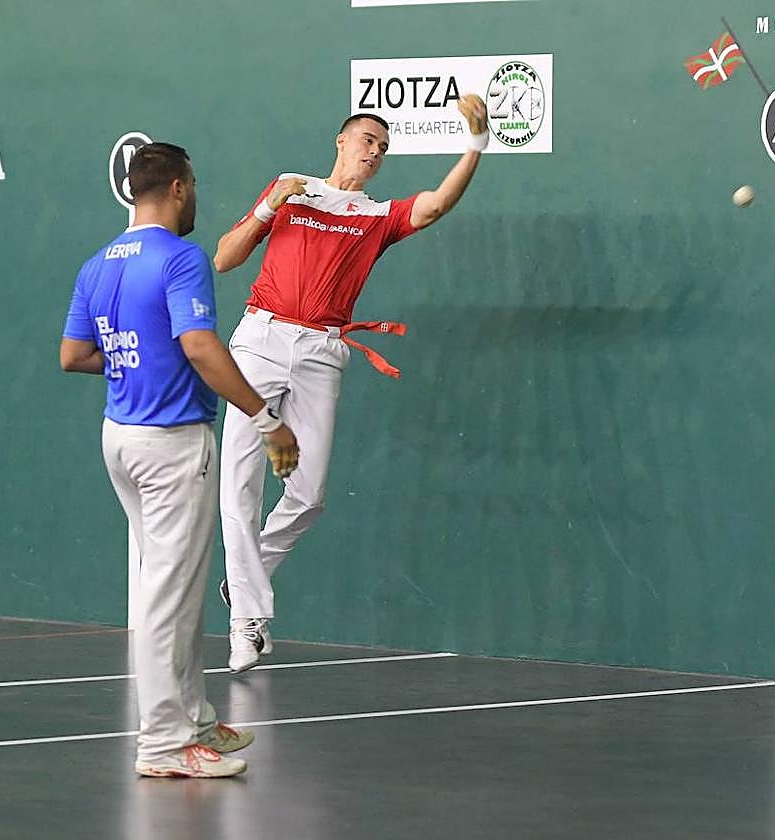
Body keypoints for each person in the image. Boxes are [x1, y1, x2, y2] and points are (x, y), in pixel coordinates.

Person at [214, 96, 489, 672]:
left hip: (321, 351)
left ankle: (245, 579)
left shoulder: (376, 216)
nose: (376, 153)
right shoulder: (291, 191)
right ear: (340, 141)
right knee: (239, 486)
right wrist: (268, 207)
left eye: (384, 148)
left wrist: (476, 144)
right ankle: (246, 621)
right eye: (368, 140)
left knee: (309, 494)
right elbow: (224, 259)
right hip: (259, 340)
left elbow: (435, 206)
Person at [60, 142, 299, 778]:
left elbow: (74, 354)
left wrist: (138, 362)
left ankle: (193, 718)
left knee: (174, 586)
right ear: (176, 188)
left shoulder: (97, 264)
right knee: (168, 594)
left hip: (122, 437)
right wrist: (265, 417)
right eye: (192, 184)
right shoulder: (181, 258)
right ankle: (164, 743)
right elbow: (199, 345)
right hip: (170, 443)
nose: (194, 193)